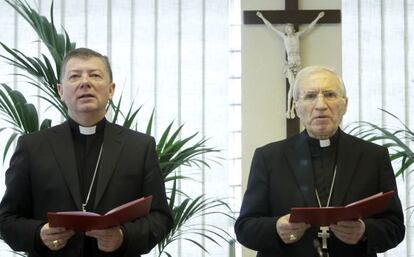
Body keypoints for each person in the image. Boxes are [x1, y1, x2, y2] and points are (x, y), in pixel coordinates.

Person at [0, 48, 173, 257]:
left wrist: (123, 236)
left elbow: (161, 217)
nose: (85, 82)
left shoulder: (139, 147)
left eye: (95, 75)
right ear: (61, 91)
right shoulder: (32, 146)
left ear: (110, 90)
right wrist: (39, 234)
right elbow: (7, 219)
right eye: (74, 76)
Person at [234, 66, 405, 257]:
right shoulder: (269, 157)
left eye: (330, 94)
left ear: (345, 104)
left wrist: (365, 231)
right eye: (310, 96)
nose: (321, 105)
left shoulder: (373, 156)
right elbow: (244, 227)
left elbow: (395, 227)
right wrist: (276, 228)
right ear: (296, 106)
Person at [256, 11, 325, 119]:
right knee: (292, 86)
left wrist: (318, 17)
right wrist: (262, 17)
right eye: (288, 28)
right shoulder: (284, 37)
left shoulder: (297, 35)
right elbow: (271, 27)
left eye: (291, 28)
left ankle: (295, 108)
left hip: (298, 64)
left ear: (293, 29)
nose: (290, 29)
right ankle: (289, 109)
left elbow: (308, 28)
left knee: (298, 87)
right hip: (290, 65)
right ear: (286, 30)